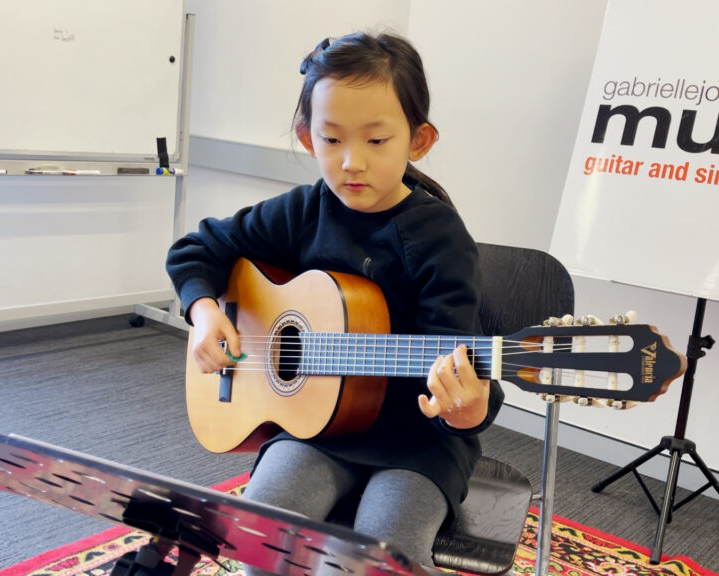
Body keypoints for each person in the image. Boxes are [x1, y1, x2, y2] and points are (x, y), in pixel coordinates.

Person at [165, 31, 505, 571]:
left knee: (375, 560)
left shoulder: (439, 238)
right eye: (331, 140)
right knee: (260, 537)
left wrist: (467, 409)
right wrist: (205, 313)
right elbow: (197, 249)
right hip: (315, 429)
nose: (351, 163)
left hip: (416, 443)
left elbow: (457, 366)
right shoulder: (304, 210)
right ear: (307, 138)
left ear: (418, 141)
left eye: (376, 141)